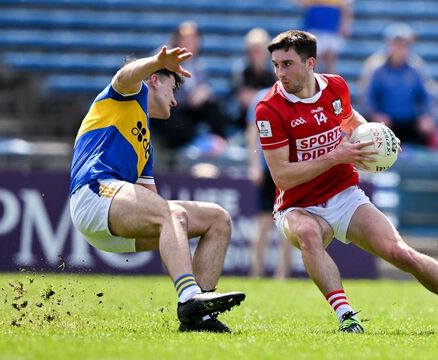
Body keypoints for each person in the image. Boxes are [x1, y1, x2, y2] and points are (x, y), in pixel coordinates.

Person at [255, 30, 438, 334]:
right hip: (298, 206)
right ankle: (347, 317)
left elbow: (350, 120)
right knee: (309, 234)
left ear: (310, 63)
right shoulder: (268, 109)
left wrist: (377, 138)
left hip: (343, 194)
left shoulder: (335, 86)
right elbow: (282, 175)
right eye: (276, 65)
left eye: (287, 64)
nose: (280, 73)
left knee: (401, 253)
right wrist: (336, 156)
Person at [69, 45, 245, 333]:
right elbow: (125, 74)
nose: (175, 101)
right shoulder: (128, 94)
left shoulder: (145, 141)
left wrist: (175, 232)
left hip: (115, 218)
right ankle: (189, 298)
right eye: (173, 89)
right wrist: (156, 62)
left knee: (217, 219)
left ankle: (199, 317)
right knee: (170, 213)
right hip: (93, 195)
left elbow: (151, 203)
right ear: (154, 80)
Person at [150, 21, 229, 166]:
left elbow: (204, 88)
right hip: (167, 112)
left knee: (212, 106)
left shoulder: (199, 65)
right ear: (177, 40)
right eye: (185, 39)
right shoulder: (164, 60)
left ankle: (221, 142)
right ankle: (180, 152)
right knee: (181, 128)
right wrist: (188, 97)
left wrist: (204, 93)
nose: (189, 43)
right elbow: (160, 93)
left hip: (187, 111)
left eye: (193, 39)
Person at [362, 23, 438, 148]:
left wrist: (427, 116)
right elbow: (367, 96)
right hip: (385, 122)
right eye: (396, 44)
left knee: (428, 128)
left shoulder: (416, 68)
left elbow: (428, 95)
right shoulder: (376, 68)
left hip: (410, 121)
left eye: (404, 44)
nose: (400, 48)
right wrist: (375, 114)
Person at [246, 88, 292, 279]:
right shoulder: (262, 98)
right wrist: (255, 165)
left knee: (289, 225)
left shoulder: (292, 96)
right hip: (270, 169)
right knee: (264, 223)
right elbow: (252, 134)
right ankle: (257, 272)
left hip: (291, 170)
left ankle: (282, 274)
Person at [232, 28, 277, 132]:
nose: (256, 55)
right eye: (253, 50)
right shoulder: (241, 69)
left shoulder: (275, 70)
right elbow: (244, 99)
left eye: (259, 50)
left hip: (271, 120)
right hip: (244, 121)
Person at [297, 0, 353, 74]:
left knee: (330, 61)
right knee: (313, 59)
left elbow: (346, 7)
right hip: (314, 26)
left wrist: (345, 25)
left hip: (331, 27)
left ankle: (331, 83)